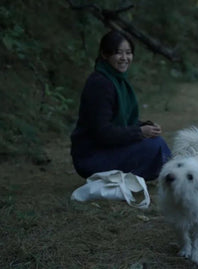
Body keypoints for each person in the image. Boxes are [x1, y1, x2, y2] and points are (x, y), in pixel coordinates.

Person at [70, 30, 171, 181]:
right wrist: (139, 132)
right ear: (105, 54)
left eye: (128, 53)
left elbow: (119, 119)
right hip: (91, 157)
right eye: (118, 53)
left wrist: (145, 126)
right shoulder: (100, 84)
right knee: (155, 146)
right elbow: (102, 132)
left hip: (106, 150)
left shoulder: (117, 80)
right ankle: (172, 178)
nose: (124, 58)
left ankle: (170, 176)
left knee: (154, 142)